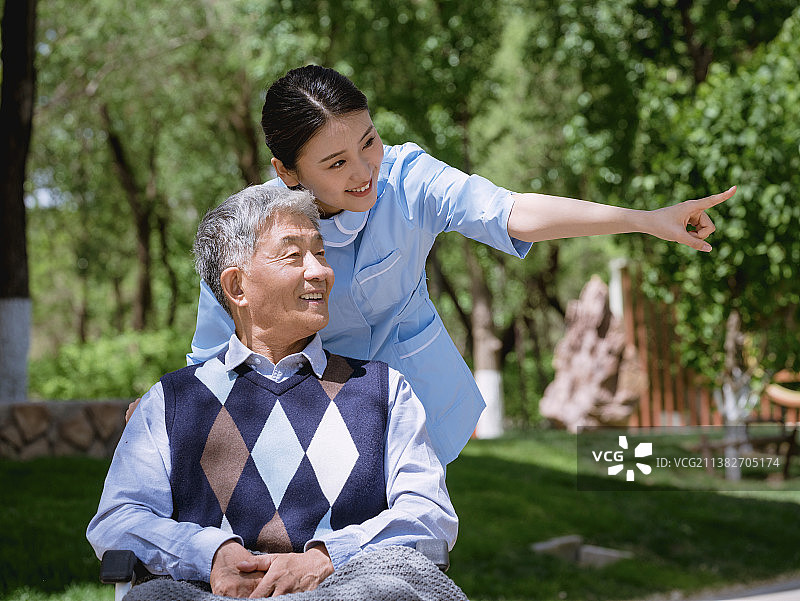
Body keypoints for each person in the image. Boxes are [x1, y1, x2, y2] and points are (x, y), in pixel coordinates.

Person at [189, 65, 735, 466]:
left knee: (408, 547)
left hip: (411, 388)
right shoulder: (253, 228)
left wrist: (643, 218)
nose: (364, 171)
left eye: (369, 142)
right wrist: (174, 410)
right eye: (336, 163)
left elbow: (512, 210)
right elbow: (214, 346)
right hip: (311, 402)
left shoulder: (408, 179)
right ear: (287, 172)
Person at [88, 185, 458, 599]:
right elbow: (117, 519)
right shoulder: (171, 401)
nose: (320, 271)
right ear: (237, 288)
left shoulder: (384, 391)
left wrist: (325, 558)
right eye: (293, 255)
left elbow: (430, 515)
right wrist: (212, 554)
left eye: (319, 252)